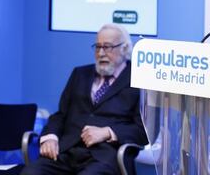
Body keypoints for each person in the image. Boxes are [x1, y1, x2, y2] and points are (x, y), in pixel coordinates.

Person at [22, 23, 148, 175]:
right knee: (31, 172)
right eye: (98, 46)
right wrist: (50, 137)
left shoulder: (138, 79)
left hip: (104, 156)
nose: (101, 53)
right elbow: (61, 115)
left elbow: (142, 131)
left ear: (124, 48)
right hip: (66, 151)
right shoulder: (80, 74)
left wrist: (108, 132)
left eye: (107, 47)